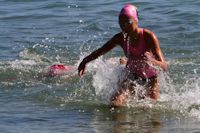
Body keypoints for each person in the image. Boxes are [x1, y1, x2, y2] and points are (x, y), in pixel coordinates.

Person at [78, 4, 168, 107]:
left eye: (127, 22)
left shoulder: (148, 36)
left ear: (136, 20)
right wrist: (84, 61)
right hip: (132, 75)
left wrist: (152, 61)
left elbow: (164, 66)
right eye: (120, 23)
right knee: (115, 104)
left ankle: (124, 61)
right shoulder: (120, 38)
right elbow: (100, 51)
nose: (123, 26)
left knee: (152, 110)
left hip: (151, 79)